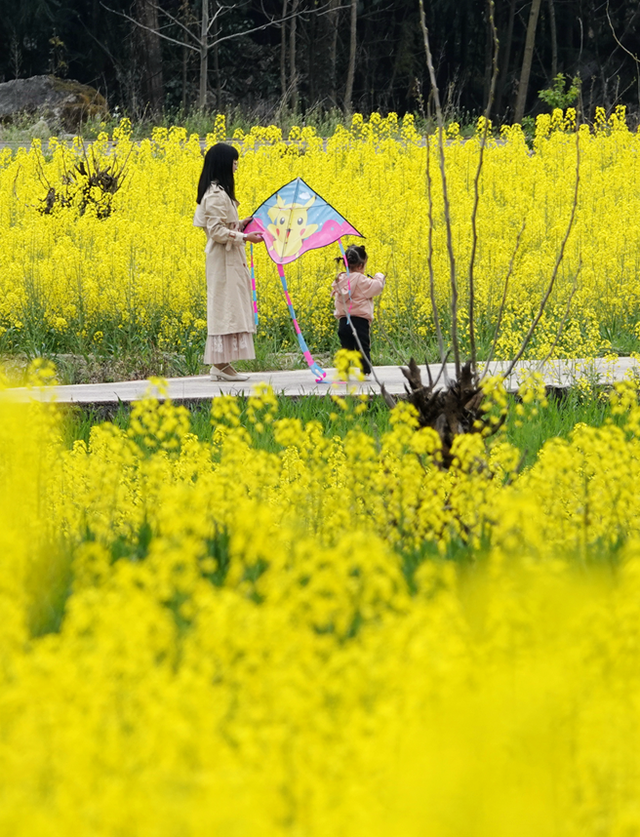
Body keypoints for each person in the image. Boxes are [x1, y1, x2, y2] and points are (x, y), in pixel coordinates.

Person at [193, 142, 264, 382]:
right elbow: (215, 231)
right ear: (224, 163)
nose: (236, 166)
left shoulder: (221, 193)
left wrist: (240, 223)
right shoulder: (215, 195)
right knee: (224, 308)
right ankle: (220, 365)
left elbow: (223, 227)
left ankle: (222, 364)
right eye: (234, 161)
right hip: (222, 260)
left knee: (229, 308)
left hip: (229, 259)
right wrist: (246, 237)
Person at [331, 244, 385, 375]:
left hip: (344, 321)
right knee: (362, 347)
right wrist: (379, 276)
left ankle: (343, 370)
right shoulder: (361, 279)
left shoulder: (340, 279)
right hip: (360, 321)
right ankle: (365, 370)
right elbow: (377, 287)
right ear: (361, 266)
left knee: (346, 348)